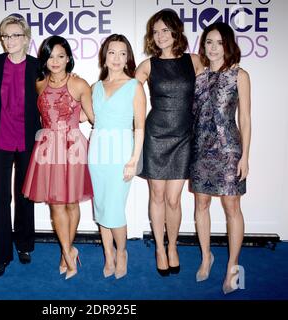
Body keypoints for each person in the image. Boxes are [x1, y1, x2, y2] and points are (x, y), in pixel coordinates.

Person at [135, 9, 203, 276]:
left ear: (176, 31)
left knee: (174, 200)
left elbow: (211, 91)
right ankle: (159, 249)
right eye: (155, 31)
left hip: (184, 137)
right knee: (158, 195)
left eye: (165, 30)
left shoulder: (195, 61)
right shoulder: (148, 66)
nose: (160, 36)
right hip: (156, 135)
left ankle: (172, 246)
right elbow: (127, 94)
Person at [22, 35, 94, 280]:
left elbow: (93, 116)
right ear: (45, 59)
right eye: (51, 56)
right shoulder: (39, 83)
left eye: (61, 56)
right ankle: (68, 250)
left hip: (72, 147)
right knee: (56, 206)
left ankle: (66, 253)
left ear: (68, 58)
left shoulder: (79, 84)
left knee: (71, 203)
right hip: (47, 148)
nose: (55, 61)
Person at [0, 14, 41, 277]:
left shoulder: (38, 66)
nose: (9, 40)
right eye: (5, 36)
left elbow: (56, 88)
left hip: (27, 139)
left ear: (26, 38)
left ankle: (24, 245)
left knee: (26, 195)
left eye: (15, 35)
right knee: (1, 197)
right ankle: (2, 255)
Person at [190, 22, 251, 294]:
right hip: (201, 148)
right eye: (208, 42)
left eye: (218, 42)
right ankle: (206, 257)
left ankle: (233, 266)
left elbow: (245, 119)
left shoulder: (240, 75)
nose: (213, 48)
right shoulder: (199, 76)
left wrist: (245, 156)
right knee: (201, 204)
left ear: (228, 44)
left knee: (232, 208)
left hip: (228, 150)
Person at [88, 34, 146, 279]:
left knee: (114, 209)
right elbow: (89, 118)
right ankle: (108, 256)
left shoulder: (135, 86)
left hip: (122, 152)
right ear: (105, 55)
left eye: (123, 53)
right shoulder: (95, 87)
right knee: (101, 208)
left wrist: (134, 159)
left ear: (128, 58)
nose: (117, 58)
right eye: (112, 52)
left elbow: (140, 127)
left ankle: (122, 251)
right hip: (97, 151)